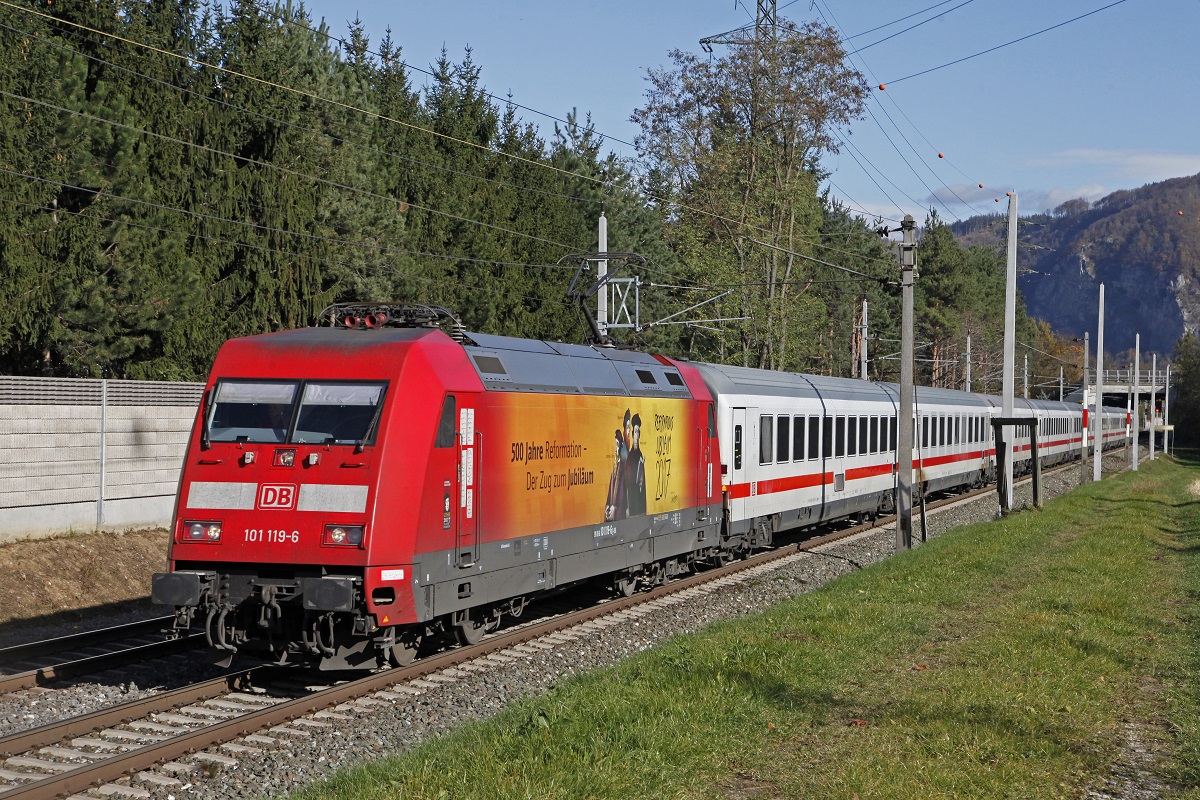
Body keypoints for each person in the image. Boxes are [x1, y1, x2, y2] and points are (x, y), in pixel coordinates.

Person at [625, 413, 647, 516]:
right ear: (632, 434)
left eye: (638, 432)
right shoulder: (630, 457)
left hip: (641, 507)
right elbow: (627, 483)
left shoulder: (640, 454)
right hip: (632, 506)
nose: (636, 435)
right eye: (635, 432)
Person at [605, 429, 627, 521]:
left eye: (617, 444)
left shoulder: (623, 467)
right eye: (615, 444)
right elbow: (610, 489)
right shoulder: (615, 465)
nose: (616, 448)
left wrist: (615, 508)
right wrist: (607, 505)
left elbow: (622, 494)